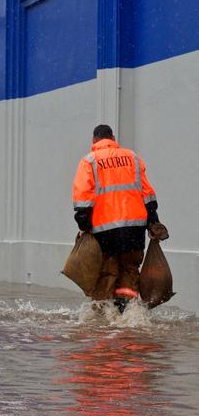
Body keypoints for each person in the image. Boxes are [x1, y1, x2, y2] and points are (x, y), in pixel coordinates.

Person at [72, 124, 166, 312]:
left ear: (94, 140)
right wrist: (152, 221)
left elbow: (83, 200)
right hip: (134, 228)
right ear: (113, 138)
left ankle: (104, 318)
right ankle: (128, 314)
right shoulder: (133, 158)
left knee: (107, 273)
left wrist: (84, 225)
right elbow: (147, 194)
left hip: (104, 230)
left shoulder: (89, 161)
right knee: (130, 270)